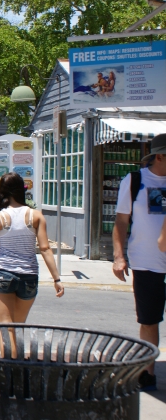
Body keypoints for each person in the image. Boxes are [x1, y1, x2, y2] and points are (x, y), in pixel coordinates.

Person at [0, 172, 64, 358]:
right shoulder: (36, 216)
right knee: (17, 326)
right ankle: (16, 363)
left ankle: (7, 367)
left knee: (5, 326)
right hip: (29, 275)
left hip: (4, 273)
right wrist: (56, 279)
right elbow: (45, 248)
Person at [113, 133, 166, 391]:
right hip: (146, 260)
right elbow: (121, 221)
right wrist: (119, 256)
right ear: (160, 156)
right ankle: (148, 371)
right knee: (149, 319)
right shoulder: (135, 180)